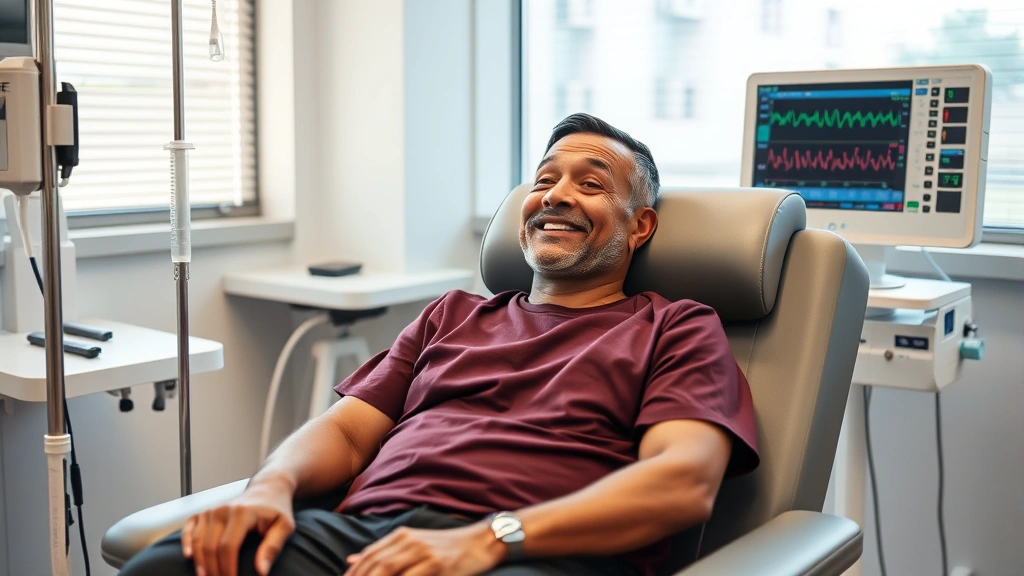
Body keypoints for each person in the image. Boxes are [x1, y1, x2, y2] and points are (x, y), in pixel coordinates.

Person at [122, 113, 759, 576]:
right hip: (363, 538)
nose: (557, 195)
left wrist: (492, 538)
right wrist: (269, 486)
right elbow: (345, 436)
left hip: (538, 553)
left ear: (640, 225)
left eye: (591, 184)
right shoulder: (451, 315)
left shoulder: (675, 326)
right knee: (169, 567)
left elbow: (681, 482)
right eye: (544, 180)